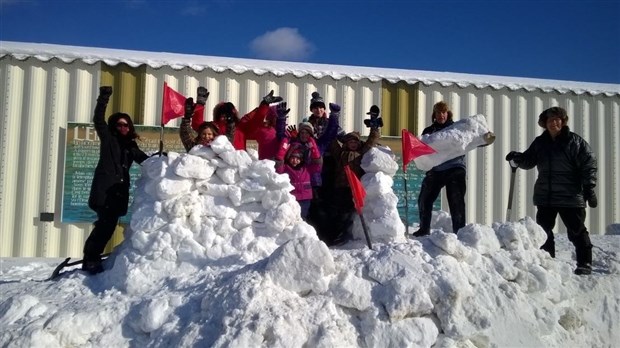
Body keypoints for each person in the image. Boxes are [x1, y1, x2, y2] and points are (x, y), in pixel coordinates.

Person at [506, 106, 597, 275]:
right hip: (546, 195)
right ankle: (548, 261)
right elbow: (529, 160)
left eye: (557, 120)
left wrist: (589, 187)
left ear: (562, 122)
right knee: (543, 231)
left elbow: (589, 164)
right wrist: (518, 157)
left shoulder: (574, 142)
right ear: (545, 123)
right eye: (550, 120)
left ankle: (585, 263)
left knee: (576, 230)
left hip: (570, 195)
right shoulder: (540, 143)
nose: (554, 123)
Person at [83, 86, 148, 274]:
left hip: (118, 194)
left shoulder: (130, 146)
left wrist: (163, 160)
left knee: (108, 226)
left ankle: (92, 256)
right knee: (104, 226)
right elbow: (98, 120)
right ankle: (91, 259)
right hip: (104, 192)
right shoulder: (108, 138)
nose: (123, 128)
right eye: (119, 124)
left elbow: (144, 159)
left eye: (126, 125)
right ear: (113, 126)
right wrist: (103, 98)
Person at [321, 105, 381, 245]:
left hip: (354, 188)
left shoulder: (361, 152)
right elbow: (332, 141)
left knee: (349, 214)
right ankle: (333, 236)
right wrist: (332, 121)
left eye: (355, 141)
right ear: (346, 143)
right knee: (336, 213)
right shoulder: (340, 153)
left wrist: (374, 125)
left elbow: (372, 140)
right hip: (339, 187)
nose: (353, 144)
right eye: (350, 142)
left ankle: (344, 236)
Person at [412, 101, 466, 237]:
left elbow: (473, 138)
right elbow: (421, 150)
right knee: (424, 198)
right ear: (434, 115)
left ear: (448, 114)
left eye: (444, 112)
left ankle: (459, 232)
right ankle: (424, 229)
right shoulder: (428, 132)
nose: (441, 115)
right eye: (438, 113)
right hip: (436, 170)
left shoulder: (457, 129)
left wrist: (485, 137)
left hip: (455, 167)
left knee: (456, 198)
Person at [235, 90, 286, 160]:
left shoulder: (284, 132)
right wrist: (264, 105)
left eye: (280, 117)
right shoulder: (264, 130)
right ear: (271, 117)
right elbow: (252, 123)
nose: (277, 119)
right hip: (265, 163)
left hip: (279, 165)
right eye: (276, 117)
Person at [276, 144, 321, 219]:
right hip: (291, 199)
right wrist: (283, 149)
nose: (295, 161)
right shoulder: (285, 168)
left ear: (301, 160)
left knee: (302, 217)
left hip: (305, 199)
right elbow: (278, 164)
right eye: (292, 158)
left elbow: (317, 164)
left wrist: (313, 147)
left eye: (298, 159)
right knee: (291, 218)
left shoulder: (307, 168)